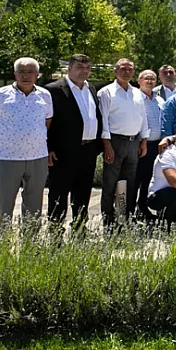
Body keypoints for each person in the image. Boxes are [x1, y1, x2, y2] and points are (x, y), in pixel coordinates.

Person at [0, 57, 53, 227]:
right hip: (8, 158)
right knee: (2, 205)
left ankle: (29, 243)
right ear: (15, 74)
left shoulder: (45, 95)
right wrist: (3, 141)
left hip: (37, 157)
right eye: (21, 71)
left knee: (34, 206)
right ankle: (2, 246)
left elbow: (47, 123)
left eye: (30, 72)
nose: (25, 75)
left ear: (37, 74)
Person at [44, 53, 102, 226]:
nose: (84, 71)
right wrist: (48, 147)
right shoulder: (54, 90)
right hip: (63, 151)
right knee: (59, 192)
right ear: (69, 69)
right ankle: (55, 230)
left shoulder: (90, 88)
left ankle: (79, 228)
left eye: (87, 68)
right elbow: (45, 121)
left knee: (83, 192)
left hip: (88, 149)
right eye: (79, 67)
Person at [97, 58, 150, 226]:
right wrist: (107, 146)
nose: (126, 72)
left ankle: (125, 216)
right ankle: (108, 218)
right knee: (110, 182)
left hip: (134, 141)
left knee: (130, 181)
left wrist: (144, 141)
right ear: (115, 71)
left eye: (130, 69)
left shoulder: (136, 93)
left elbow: (143, 118)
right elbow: (103, 120)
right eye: (123, 69)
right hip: (115, 141)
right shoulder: (106, 92)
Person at [134, 69, 165, 219]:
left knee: (148, 178)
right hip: (140, 144)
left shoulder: (159, 100)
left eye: (152, 78)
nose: (150, 81)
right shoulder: (134, 98)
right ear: (139, 81)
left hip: (156, 145)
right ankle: (128, 209)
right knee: (135, 178)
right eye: (146, 78)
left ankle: (142, 207)